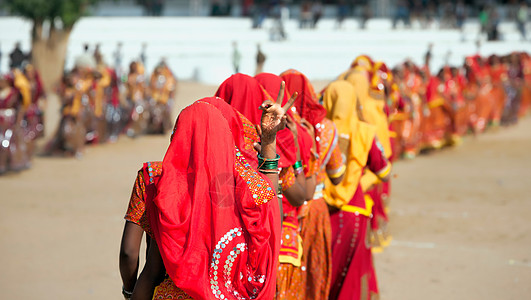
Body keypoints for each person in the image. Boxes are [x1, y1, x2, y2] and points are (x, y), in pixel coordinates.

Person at [132, 91, 295, 299]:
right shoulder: (243, 186)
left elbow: (151, 269)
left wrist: (128, 291)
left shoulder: (165, 191)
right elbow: (271, 206)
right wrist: (269, 141)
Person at [323, 80, 391, 300]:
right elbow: (384, 171)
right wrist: (358, 181)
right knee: (351, 278)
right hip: (356, 212)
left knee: (326, 275)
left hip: (326, 212)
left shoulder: (321, 132)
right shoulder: (366, 132)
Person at [281, 69, 345, 300]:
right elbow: (338, 173)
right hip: (316, 208)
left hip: (288, 210)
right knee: (314, 274)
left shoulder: (281, 124)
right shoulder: (326, 128)